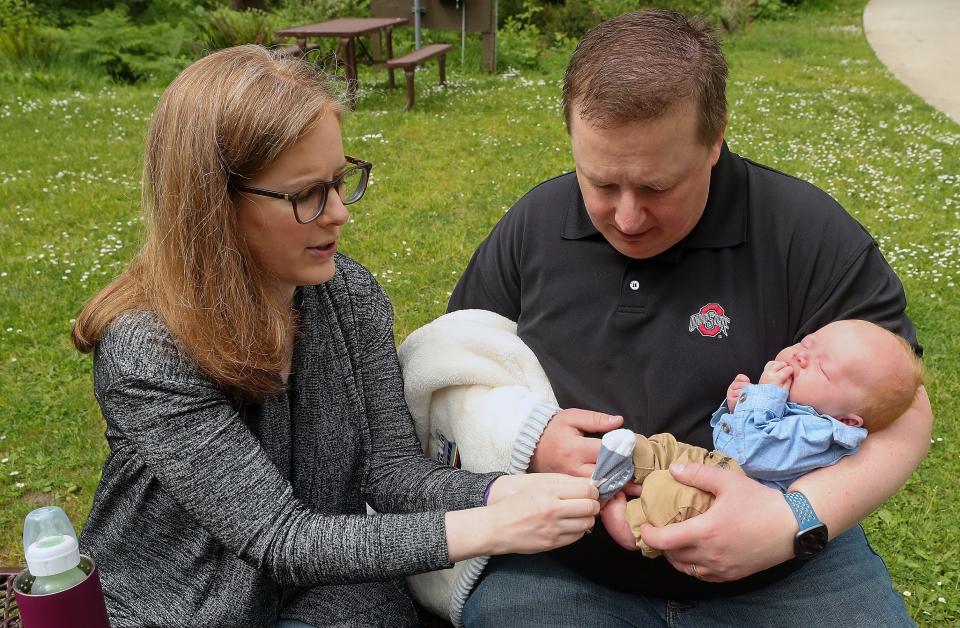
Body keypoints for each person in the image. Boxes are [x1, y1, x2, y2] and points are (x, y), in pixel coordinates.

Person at [70, 45, 599, 628]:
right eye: (306, 195)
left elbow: (391, 472)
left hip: (322, 590)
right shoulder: (148, 349)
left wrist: (505, 493)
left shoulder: (346, 295)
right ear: (213, 205)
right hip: (179, 608)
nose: (340, 212)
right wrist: (492, 526)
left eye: (340, 180)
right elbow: (280, 538)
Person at [447, 9, 932, 627]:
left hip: (786, 571)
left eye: (656, 187)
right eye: (599, 183)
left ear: (716, 138)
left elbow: (906, 406)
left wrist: (791, 521)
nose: (626, 218)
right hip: (564, 564)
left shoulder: (808, 236)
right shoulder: (534, 226)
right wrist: (521, 440)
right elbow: (453, 370)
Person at [596, 319, 925, 557]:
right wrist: (737, 404)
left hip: (736, 500)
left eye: (822, 369)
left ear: (845, 418)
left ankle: (631, 528)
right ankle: (629, 460)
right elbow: (730, 438)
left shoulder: (821, 433)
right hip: (719, 464)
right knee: (666, 447)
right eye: (808, 343)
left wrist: (763, 396)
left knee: (672, 494)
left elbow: (752, 454)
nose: (800, 356)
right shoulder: (797, 406)